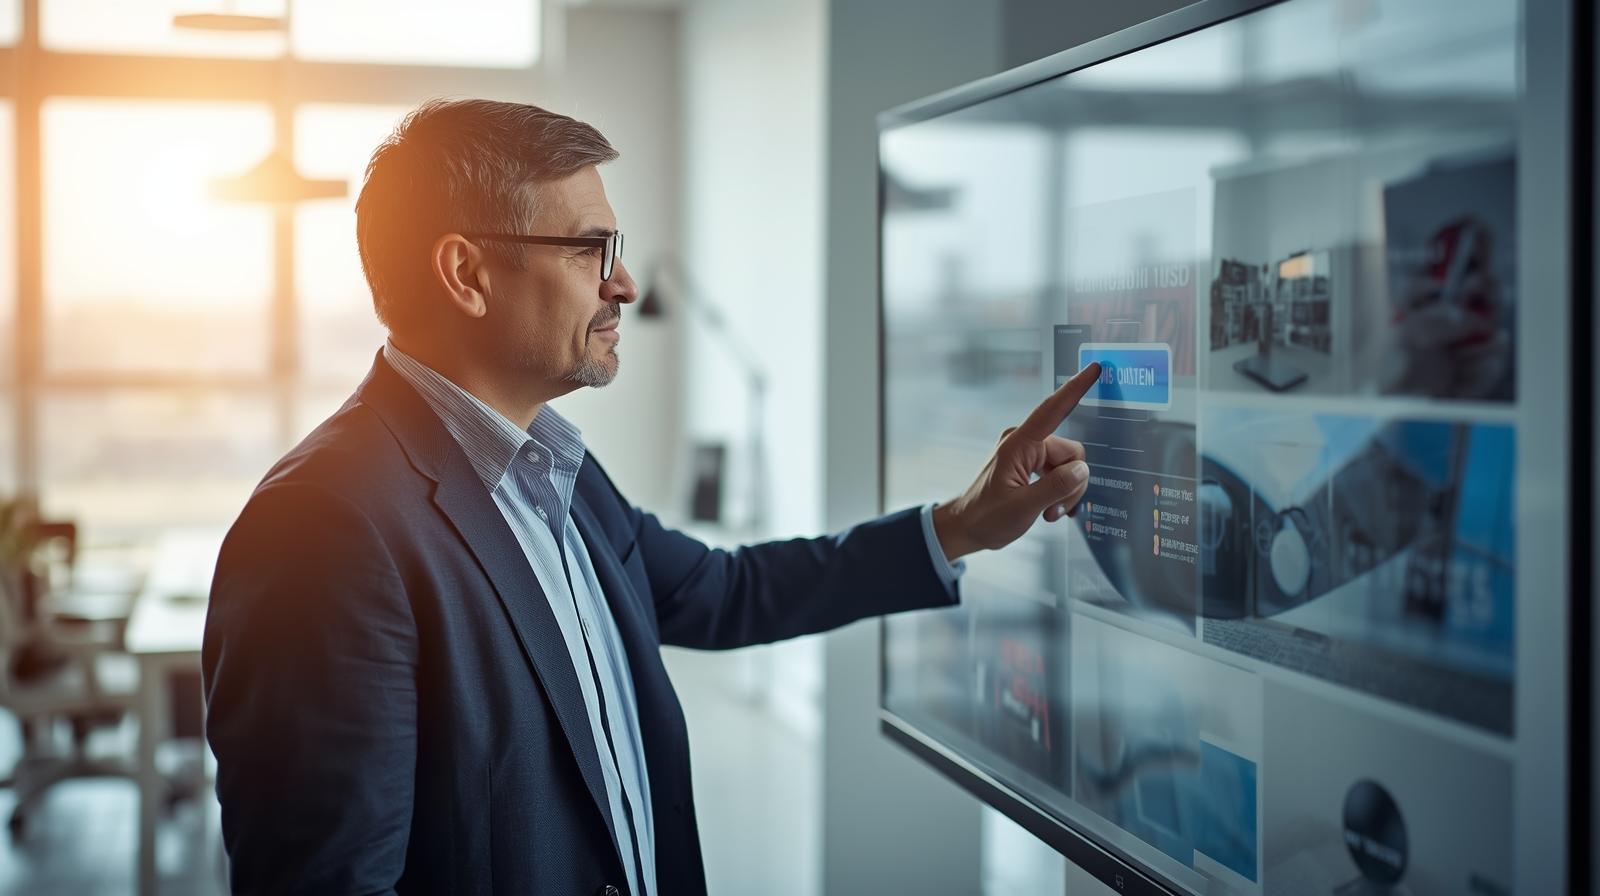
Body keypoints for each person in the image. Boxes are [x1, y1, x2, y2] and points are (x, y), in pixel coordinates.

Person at [202, 98, 1098, 896]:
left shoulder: (558, 470)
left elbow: (722, 592)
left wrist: (960, 526)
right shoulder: (321, 529)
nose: (623, 283)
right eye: (593, 249)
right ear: (467, 274)